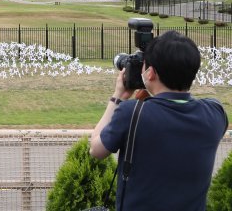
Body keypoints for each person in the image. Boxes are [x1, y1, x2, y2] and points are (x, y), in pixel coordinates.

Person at [89, 30, 228, 210]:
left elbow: (96, 150)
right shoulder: (215, 114)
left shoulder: (132, 113)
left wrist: (118, 96)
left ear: (150, 73)